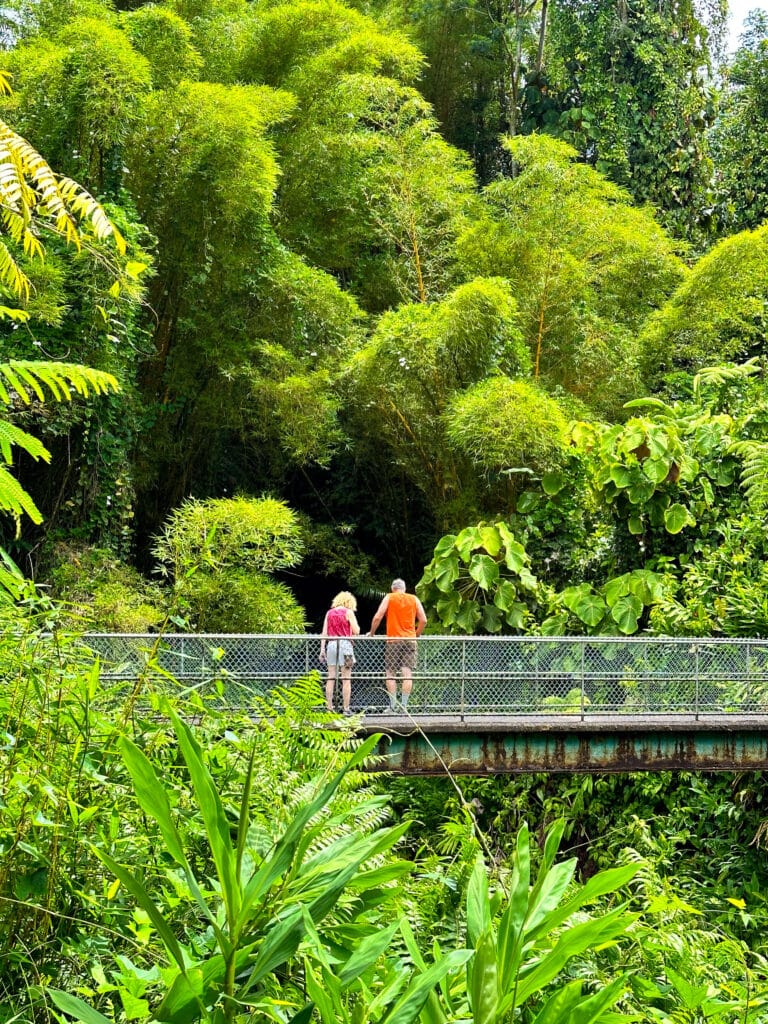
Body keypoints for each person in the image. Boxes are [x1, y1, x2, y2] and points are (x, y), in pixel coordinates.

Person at [368, 579, 427, 713]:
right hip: (410, 640)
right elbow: (423, 620)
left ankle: (393, 706)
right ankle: (404, 706)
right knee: (407, 673)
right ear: (404, 588)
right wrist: (416, 634)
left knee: (390, 673)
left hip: (393, 641)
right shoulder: (414, 599)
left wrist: (372, 633)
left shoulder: (389, 597)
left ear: (392, 588)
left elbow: (378, 616)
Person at [319, 591, 360, 715]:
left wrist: (322, 649)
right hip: (346, 645)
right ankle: (346, 709)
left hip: (331, 645)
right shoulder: (348, 612)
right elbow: (356, 630)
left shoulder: (329, 613)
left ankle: (329, 708)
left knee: (331, 677)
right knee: (346, 678)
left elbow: (324, 632)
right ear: (349, 602)